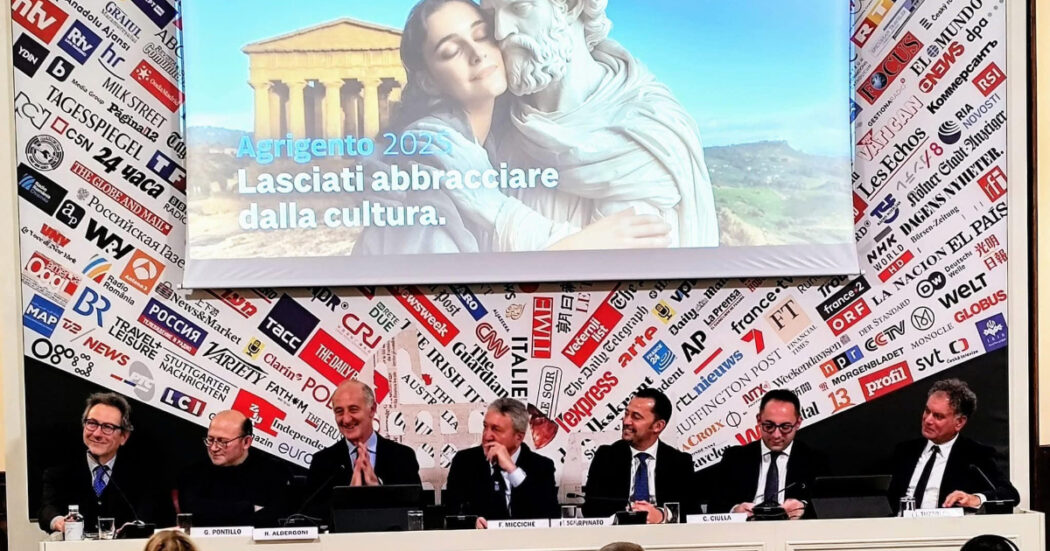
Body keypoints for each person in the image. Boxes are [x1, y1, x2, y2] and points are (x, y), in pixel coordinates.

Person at [353, 0, 671, 255]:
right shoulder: (435, 156)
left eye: (482, 35)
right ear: (428, 81)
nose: (477, 54)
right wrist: (582, 245)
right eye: (451, 51)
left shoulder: (504, 131)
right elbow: (445, 305)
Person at [481, 0, 719, 248]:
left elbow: (610, 279)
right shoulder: (494, 121)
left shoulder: (644, 136)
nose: (500, 31)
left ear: (572, 6)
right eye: (490, 15)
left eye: (519, 9)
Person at [39, 393, 174, 534]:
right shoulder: (59, 474)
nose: (97, 433)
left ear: (124, 437)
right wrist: (59, 521)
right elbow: (47, 510)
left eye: (108, 427)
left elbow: (163, 519)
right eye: (92, 424)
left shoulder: (145, 477)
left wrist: (137, 528)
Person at [888, 379, 1020, 512]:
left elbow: (1010, 494)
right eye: (927, 411)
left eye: (938, 416)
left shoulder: (975, 455)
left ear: (959, 422)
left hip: (948, 529)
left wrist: (974, 498)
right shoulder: (904, 451)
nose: (928, 420)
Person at [303, 380, 421, 522]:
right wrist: (347, 498)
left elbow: (417, 513)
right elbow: (310, 517)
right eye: (339, 411)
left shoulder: (402, 457)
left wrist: (378, 489)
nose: (346, 419)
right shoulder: (323, 461)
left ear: (371, 410)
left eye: (353, 410)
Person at [709, 389, 827, 519]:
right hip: (746, 532)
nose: (776, 435)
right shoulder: (734, 458)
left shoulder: (815, 460)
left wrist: (803, 508)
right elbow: (713, 507)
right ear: (759, 420)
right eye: (768, 426)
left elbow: (830, 507)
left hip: (795, 532)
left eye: (785, 427)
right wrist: (734, 511)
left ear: (798, 423)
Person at [582, 388, 695, 522]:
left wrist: (662, 516)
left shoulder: (679, 462)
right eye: (626, 414)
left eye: (636, 417)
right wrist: (623, 517)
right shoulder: (607, 457)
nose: (626, 421)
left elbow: (692, 512)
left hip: (664, 537)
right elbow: (590, 509)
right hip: (617, 537)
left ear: (658, 426)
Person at [444, 398, 558, 527]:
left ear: (518, 437)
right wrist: (471, 523)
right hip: (481, 544)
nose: (487, 436)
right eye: (485, 427)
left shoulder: (541, 467)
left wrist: (512, 470)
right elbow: (451, 513)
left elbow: (550, 517)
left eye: (496, 429)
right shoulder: (465, 462)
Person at [177, 410, 290, 527]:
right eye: (210, 440)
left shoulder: (273, 471)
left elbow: (275, 517)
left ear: (246, 442)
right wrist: (249, 508)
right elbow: (193, 514)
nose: (214, 448)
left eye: (223, 441)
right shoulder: (192, 474)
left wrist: (219, 511)